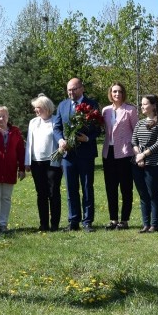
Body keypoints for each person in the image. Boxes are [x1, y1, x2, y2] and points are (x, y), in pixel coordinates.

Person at [52, 78, 101, 232]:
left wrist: (88, 138)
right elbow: (57, 127)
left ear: (82, 88)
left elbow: (98, 128)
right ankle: (73, 221)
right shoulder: (63, 105)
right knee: (71, 188)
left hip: (86, 154)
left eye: (73, 89)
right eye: (68, 90)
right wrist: (60, 140)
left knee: (87, 187)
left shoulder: (91, 104)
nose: (71, 92)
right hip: (68, 155)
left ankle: (87, 222)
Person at [101, 82, 138, 230]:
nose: (117, 94)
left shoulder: (130, 110)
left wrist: (136, 151)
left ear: (123, 94)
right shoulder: (106, 111)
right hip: (108, 152)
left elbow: (136, 131)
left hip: (124, 153)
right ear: (110, 93)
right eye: (114, 91)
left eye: (120, 92)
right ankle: (113, 219)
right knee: (110, 187)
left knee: (126, 187)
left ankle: (124, 220)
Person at [24, 94, 63, 231]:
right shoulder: (33, 122)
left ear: (46, 107)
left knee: (53, 193)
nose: (36, 110)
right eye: (35, 108)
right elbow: (29, 143)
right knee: (41, 194)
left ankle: (54, 224)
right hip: (37, 163)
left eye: (38, 107)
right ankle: (43, 223)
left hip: (53, 162)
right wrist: (27, 162)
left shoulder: (55, 122)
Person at [131, 94, 158, 233]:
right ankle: (145, 224)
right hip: (138, 162)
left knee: (153, 193)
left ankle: (155, 224)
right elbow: (134, 141)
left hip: (155, 162)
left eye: (145, 104)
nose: (142, 106)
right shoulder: (140, 123)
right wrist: (138, 156)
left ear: (154, 105)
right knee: (143, 194)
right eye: (141, 104)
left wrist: (143, 155)